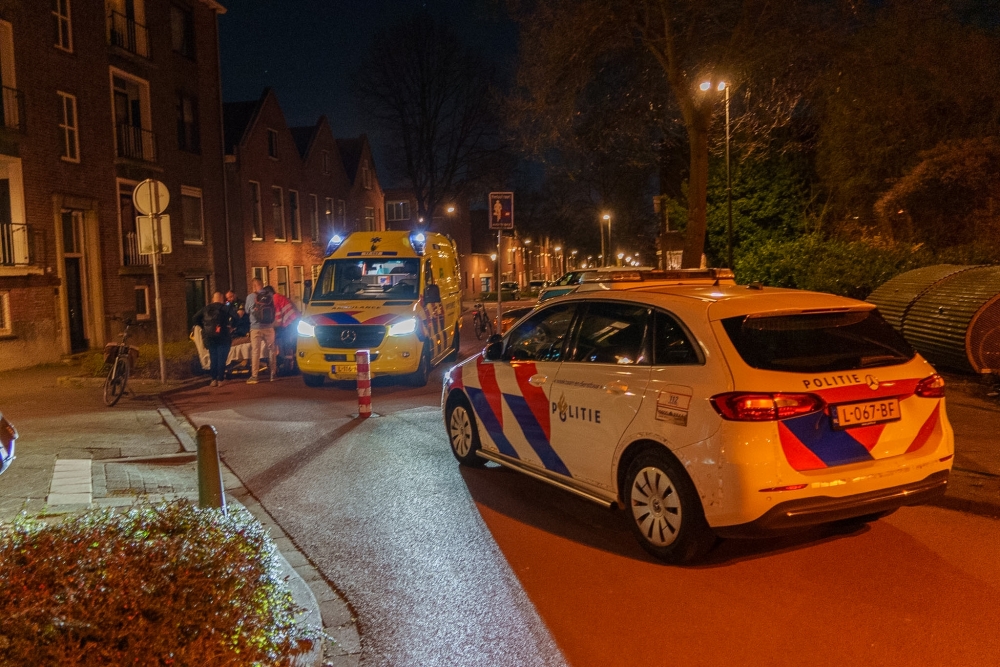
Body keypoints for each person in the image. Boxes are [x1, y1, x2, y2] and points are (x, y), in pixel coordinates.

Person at [193, 291, 232, 387]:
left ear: (213, 299)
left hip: (210, 336)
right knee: (221, 358)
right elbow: (236, 316)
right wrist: (231, 326)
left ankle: (213, 379)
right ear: (222, 299)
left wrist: (204, 326)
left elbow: (194, 318)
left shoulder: (206, 309)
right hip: (223, 336)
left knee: (213, 357)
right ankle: (220, 379)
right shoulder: (224, 308)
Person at [244, 278, 278, 383]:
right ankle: (273, 374)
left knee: (255, 352)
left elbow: (246, 310)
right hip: (269, 327)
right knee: (271, 350)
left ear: (254, 286)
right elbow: (274, 309)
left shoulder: (250, 297)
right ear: (262, 285)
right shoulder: (270, 296)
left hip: (255, 328)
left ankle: (254, 376)